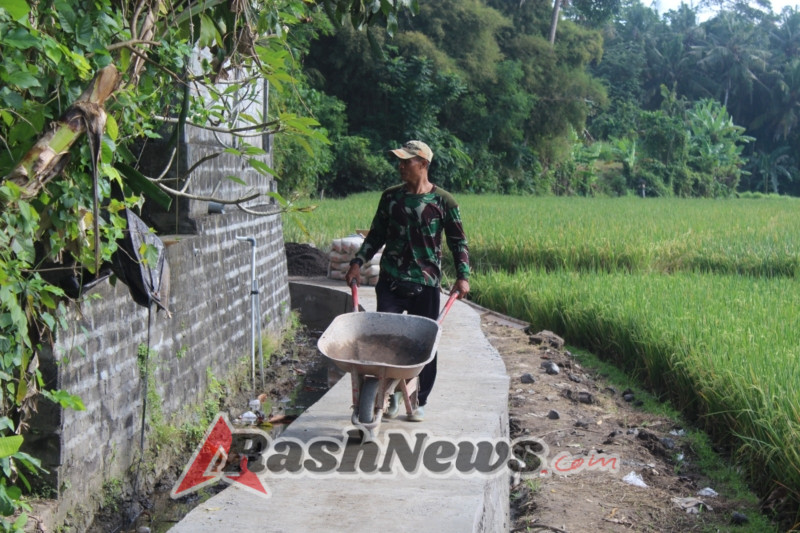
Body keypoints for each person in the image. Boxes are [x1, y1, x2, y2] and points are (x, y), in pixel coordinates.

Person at [345, 140, 470, 422]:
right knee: (385, 342)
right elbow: (376, 234)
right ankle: (387, 395)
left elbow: (458, 241)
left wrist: (463, 277)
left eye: (406, 161)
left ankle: (418, 398)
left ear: (423, 164)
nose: (400, 166)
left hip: (425, 284)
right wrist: (357, 262)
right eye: (399, 161)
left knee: (423, 345)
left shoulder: (444, 202)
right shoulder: (391, 198)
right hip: (391, 280)